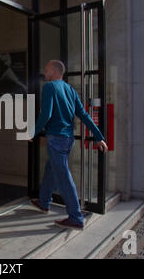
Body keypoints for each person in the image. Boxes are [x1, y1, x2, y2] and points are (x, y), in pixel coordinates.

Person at [29, 60, 108, 230]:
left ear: (55, 71)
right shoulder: (70, 90)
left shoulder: (50, 87)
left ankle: (76, 217)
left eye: (46, 69)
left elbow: (46, 114)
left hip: (56, 139)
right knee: (51, 169)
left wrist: (32, 132)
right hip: (68, 140)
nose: (45, 72)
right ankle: (44, 202)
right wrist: (98, 137)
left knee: (63, 178)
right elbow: (84, 115)